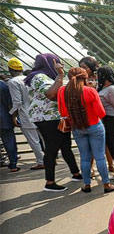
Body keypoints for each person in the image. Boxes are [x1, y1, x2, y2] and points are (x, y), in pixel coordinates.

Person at [57, 67, 114, 193]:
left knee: (84, 157)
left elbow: (63, 112)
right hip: (95, 126)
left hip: (77, 128)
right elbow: (101, 113)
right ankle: (106, 185)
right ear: (85, 78)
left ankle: (86, 185)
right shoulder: (90, 91)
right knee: (100, 156)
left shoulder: (62, 91)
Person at [26, 53, 82, 192]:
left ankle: (76, 173)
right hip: (46, 118)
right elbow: (50, 94)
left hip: (57, 117)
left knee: (66, 145)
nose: (59, 65)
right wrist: (60, 74)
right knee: (52, 148)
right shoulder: (38, 77)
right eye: (56, 62)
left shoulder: (48, 76)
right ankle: (49, 182)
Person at [7, 58, 45, 170]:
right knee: (44, 138)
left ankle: (41, 161)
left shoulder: (13, 82)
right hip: (38, 112)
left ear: (10, 69)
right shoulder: (30, 78)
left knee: (33, 140)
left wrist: (13, 116)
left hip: (26, 114)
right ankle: (50, 159)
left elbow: (17, 102)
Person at [0, 79, 18, 172]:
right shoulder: (3, 85)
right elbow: (10, 103)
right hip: (4, 118)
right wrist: (13, 117)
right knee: (9, 141)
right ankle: (13, 164)